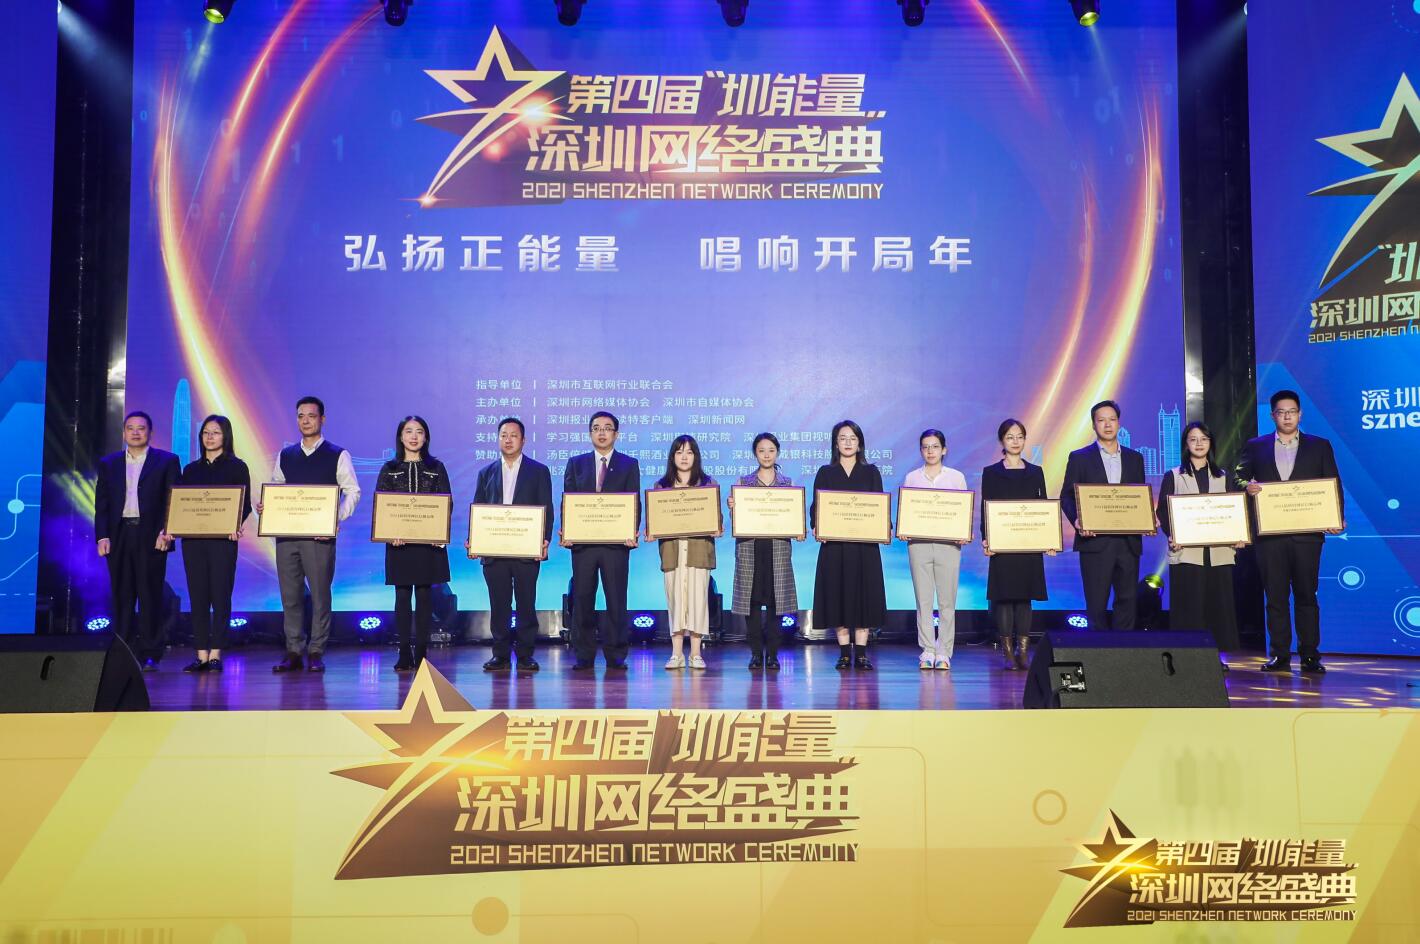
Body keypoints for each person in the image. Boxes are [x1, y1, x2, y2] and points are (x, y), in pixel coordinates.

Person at [1238, 390, 1344, 674]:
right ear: (1272, 415)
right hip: (1270, 536)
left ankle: (1310, 655)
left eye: (1292, 411)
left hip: (1307, 536)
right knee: (1275, 598)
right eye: (1281, 412)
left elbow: (1332, 482)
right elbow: (1237, 476)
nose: (1287, 416)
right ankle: (1280, 655)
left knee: (1307, 595)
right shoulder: (1256, 446)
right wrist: (1247, 486)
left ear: (1300, 414)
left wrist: (1336, 517)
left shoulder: (1319, 445)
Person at [262, 396, 361, 674]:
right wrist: (268, 505)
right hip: (287, 536)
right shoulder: (286, 455)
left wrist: (335, 518)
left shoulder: (337, 454)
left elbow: (353, 491)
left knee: (320, 595)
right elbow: (277, 488)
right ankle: (293, 650)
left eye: (311, 416)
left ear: (322, 419)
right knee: (290, 595)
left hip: (319, 538)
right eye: (301, 416)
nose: (305, 421)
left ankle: (316, 651)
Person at [93, 410, 181, 670]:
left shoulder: (166, 461)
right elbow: (102, 503)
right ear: (123, 433)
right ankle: (124, 651)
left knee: (150, 594)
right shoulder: (109, 463)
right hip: (119, 535)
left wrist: (167, 531)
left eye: (141, 428)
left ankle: (151, 652)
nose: (135, 432)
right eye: (130, 428)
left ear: (150, 432)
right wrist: (102, 536)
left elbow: (174, 500)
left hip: (152, 535)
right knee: (122, 595)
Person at [470, 417, 553, 673]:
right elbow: (479, 508)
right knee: (499, 605)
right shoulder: (486, 473)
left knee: (526, 603)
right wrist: (474, 539)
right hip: (494, 551)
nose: (508, 440)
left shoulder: (538, 471)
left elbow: (546, 508)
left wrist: (544, 540)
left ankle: (526, 655)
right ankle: (500, 655)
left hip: (526, 549)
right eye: (503, 435)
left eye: (513, 435)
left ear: (523, 440)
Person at [561, 411, 641, 671]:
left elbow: (634, 502)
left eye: (607, 428)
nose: (602, 432)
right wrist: (567, 531)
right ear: (590, 433)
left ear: (616, 434)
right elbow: (568, 500)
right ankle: (583, 654)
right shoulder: (576, 463)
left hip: (616, 545)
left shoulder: (629, 464)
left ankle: (616, 653)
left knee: (616, 599)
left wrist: (631, 531)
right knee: (582, 598)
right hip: (583, 545)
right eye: (596, 428)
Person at [1156, 422, 1244, 656]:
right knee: (1189, 607)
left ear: (1210, 443)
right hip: (1187, 553)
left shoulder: (1223, 475)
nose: (1199, 443)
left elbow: (1233, 510)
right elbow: (1163, 511)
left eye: (1204, 439)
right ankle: (1189, 657)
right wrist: (1173, 534)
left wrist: (1238, 534)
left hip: (1219, 553)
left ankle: (1216, 657)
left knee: (1219, 606)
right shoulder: (1174, 475)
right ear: (1186, 444)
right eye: (1193, 439)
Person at [1060, 400, 1147, 630]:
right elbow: (1066, 496)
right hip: (1094, 542)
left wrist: (1147, 517)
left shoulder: (1135, 458)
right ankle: (1098, 649)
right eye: (1101, 420)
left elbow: (1139, 497)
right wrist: (1078, 521)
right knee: (1096, 604)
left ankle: (1124, 648)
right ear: (1093, 425)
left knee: (1127, 601)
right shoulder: (1079, 457)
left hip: (1128, 543)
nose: (1107, 425)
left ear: (1119, 423)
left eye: (1112, 419)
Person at [176, 415, 252, 673]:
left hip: (223, 542)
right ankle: (201, 654)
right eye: (206, 432)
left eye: (215, 432)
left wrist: (234, 525)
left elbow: (245, 504)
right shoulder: (190, 470)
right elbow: (182, 504)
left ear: (225, 436)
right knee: (197, 596)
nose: (209, 437)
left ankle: (217, 652)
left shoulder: (237, 467)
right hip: (193, 542)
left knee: (220, 596)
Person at [376, 416, 451, 673]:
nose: (414, 436)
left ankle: (421, 653)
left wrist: (438, 530)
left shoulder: (436, 467)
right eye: (408, 431)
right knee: (402, 597)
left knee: (425, 596)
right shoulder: (389, 468)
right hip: (399, 544)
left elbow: (446, 502)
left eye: (419, 432)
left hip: (428, 544)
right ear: (400, 436)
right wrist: (390, 532)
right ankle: (404, 652)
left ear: (426, 437)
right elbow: (382, 505)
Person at [812, 420, 887, 670]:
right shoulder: (826, 472)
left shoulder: (871, 472)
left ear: (860, 444)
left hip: (864, 547)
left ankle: (862, 654)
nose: (847, 442)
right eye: (843, 438)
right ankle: (844, 653)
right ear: (836, 443)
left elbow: (879, 506)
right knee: (838, 595)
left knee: (864, 596)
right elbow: (816, 507)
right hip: (834, 547)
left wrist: (883, 527)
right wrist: (817, 525)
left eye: (852, 438)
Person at [980, 419, 1053, 669]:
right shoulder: (991, 472)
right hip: (1002, 544)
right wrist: (987, 538)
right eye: (1010, 437)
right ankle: (1008, 651)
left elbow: (1043, 509)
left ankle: (1023, 651)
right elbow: (986, 507)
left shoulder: (1036, 472)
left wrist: (1049, 539)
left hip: (1029, 544)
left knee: (1024, 598)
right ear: (1002, 440)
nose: (1015, 441)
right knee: (1004, 597)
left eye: (1020, 436)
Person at [730, 433, 800, 671]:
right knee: (751, 605)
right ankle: (755, 654)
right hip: (750, 549)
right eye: (761, 450)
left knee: (775, 605)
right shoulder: (744, 483)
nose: (767, 455)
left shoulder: (787, 484)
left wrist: (798, 527)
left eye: (771, 450)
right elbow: (738, 520)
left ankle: (772, 654)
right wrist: (733, 507)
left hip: (777, 550)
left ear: (777, 452)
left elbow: (793, 517)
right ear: (755, 454)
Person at [901, 429, 969, 670]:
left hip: (948, 545)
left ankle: (944, 652)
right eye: (925, 447)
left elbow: (963, 510)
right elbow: (907, 511)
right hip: (918, 545)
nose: (930, 451)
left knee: (947, 601)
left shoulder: (956, 477)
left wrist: (964, 531)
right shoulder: (912, 477)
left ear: (944, 449)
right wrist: (904, 528)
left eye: (935, 446)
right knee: (924, 600)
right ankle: (928, 649)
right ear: (921, 450)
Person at [653, 436, 719, 670]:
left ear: (696, 457)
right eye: (679, 452)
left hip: (698, 550)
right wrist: (652, 530)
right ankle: (676, 654)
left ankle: (696, 654)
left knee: (698, 601)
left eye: (689, 452)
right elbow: (656, 519)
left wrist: (717, 526)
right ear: (672, 456)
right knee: (675, 600)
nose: (684, 457)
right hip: (672, 552)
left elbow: (716, 519)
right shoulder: (662, 486)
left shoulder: (708, 484)